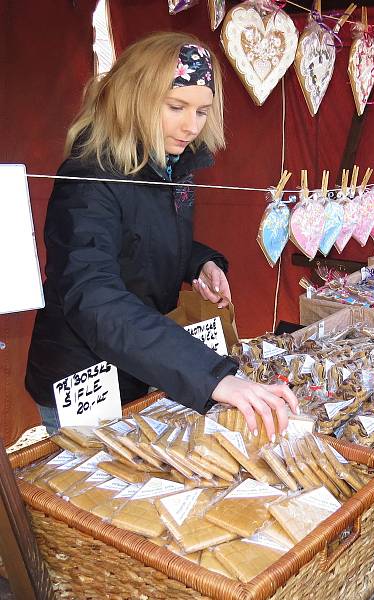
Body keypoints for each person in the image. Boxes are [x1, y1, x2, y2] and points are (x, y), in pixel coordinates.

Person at [25, 32, 297, 438]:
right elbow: (93, 295)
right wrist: (211, 377)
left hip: (140, 361)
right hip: (83, 371)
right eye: (176, 107)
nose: (191, 126)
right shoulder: (89, 175)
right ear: (135, 98)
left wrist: (198, 261)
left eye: (203, 111)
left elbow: (141, 238)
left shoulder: (170, 165)